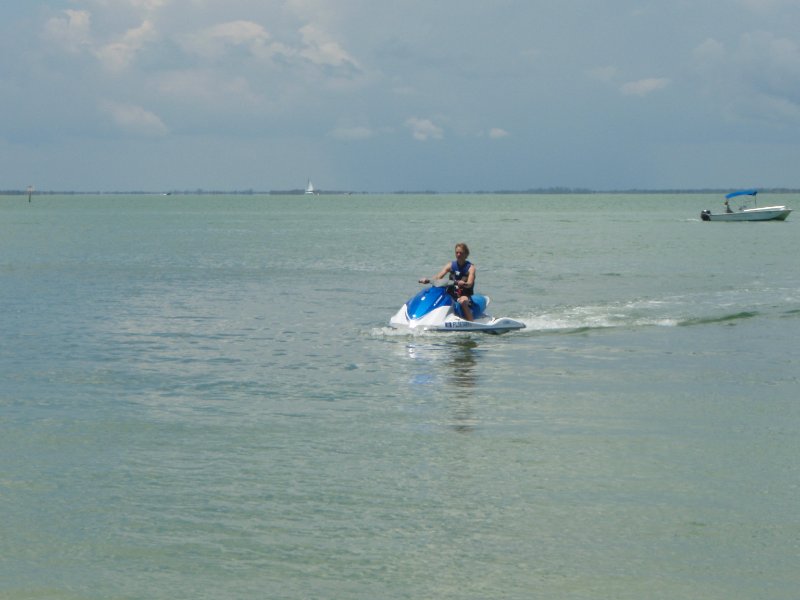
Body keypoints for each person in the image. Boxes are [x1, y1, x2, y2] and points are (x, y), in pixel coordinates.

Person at [418, 242, 476, 321]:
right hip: (451, 293)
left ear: (466, 254)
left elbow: (470, 283)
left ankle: (471, 322)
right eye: (457, 253)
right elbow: (438, 277)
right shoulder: (450, 265)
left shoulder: (470, 268)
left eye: (461, 253)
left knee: (463, 302)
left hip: (464, 294)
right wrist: (427, 280)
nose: (458, 254)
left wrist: (464, 283)